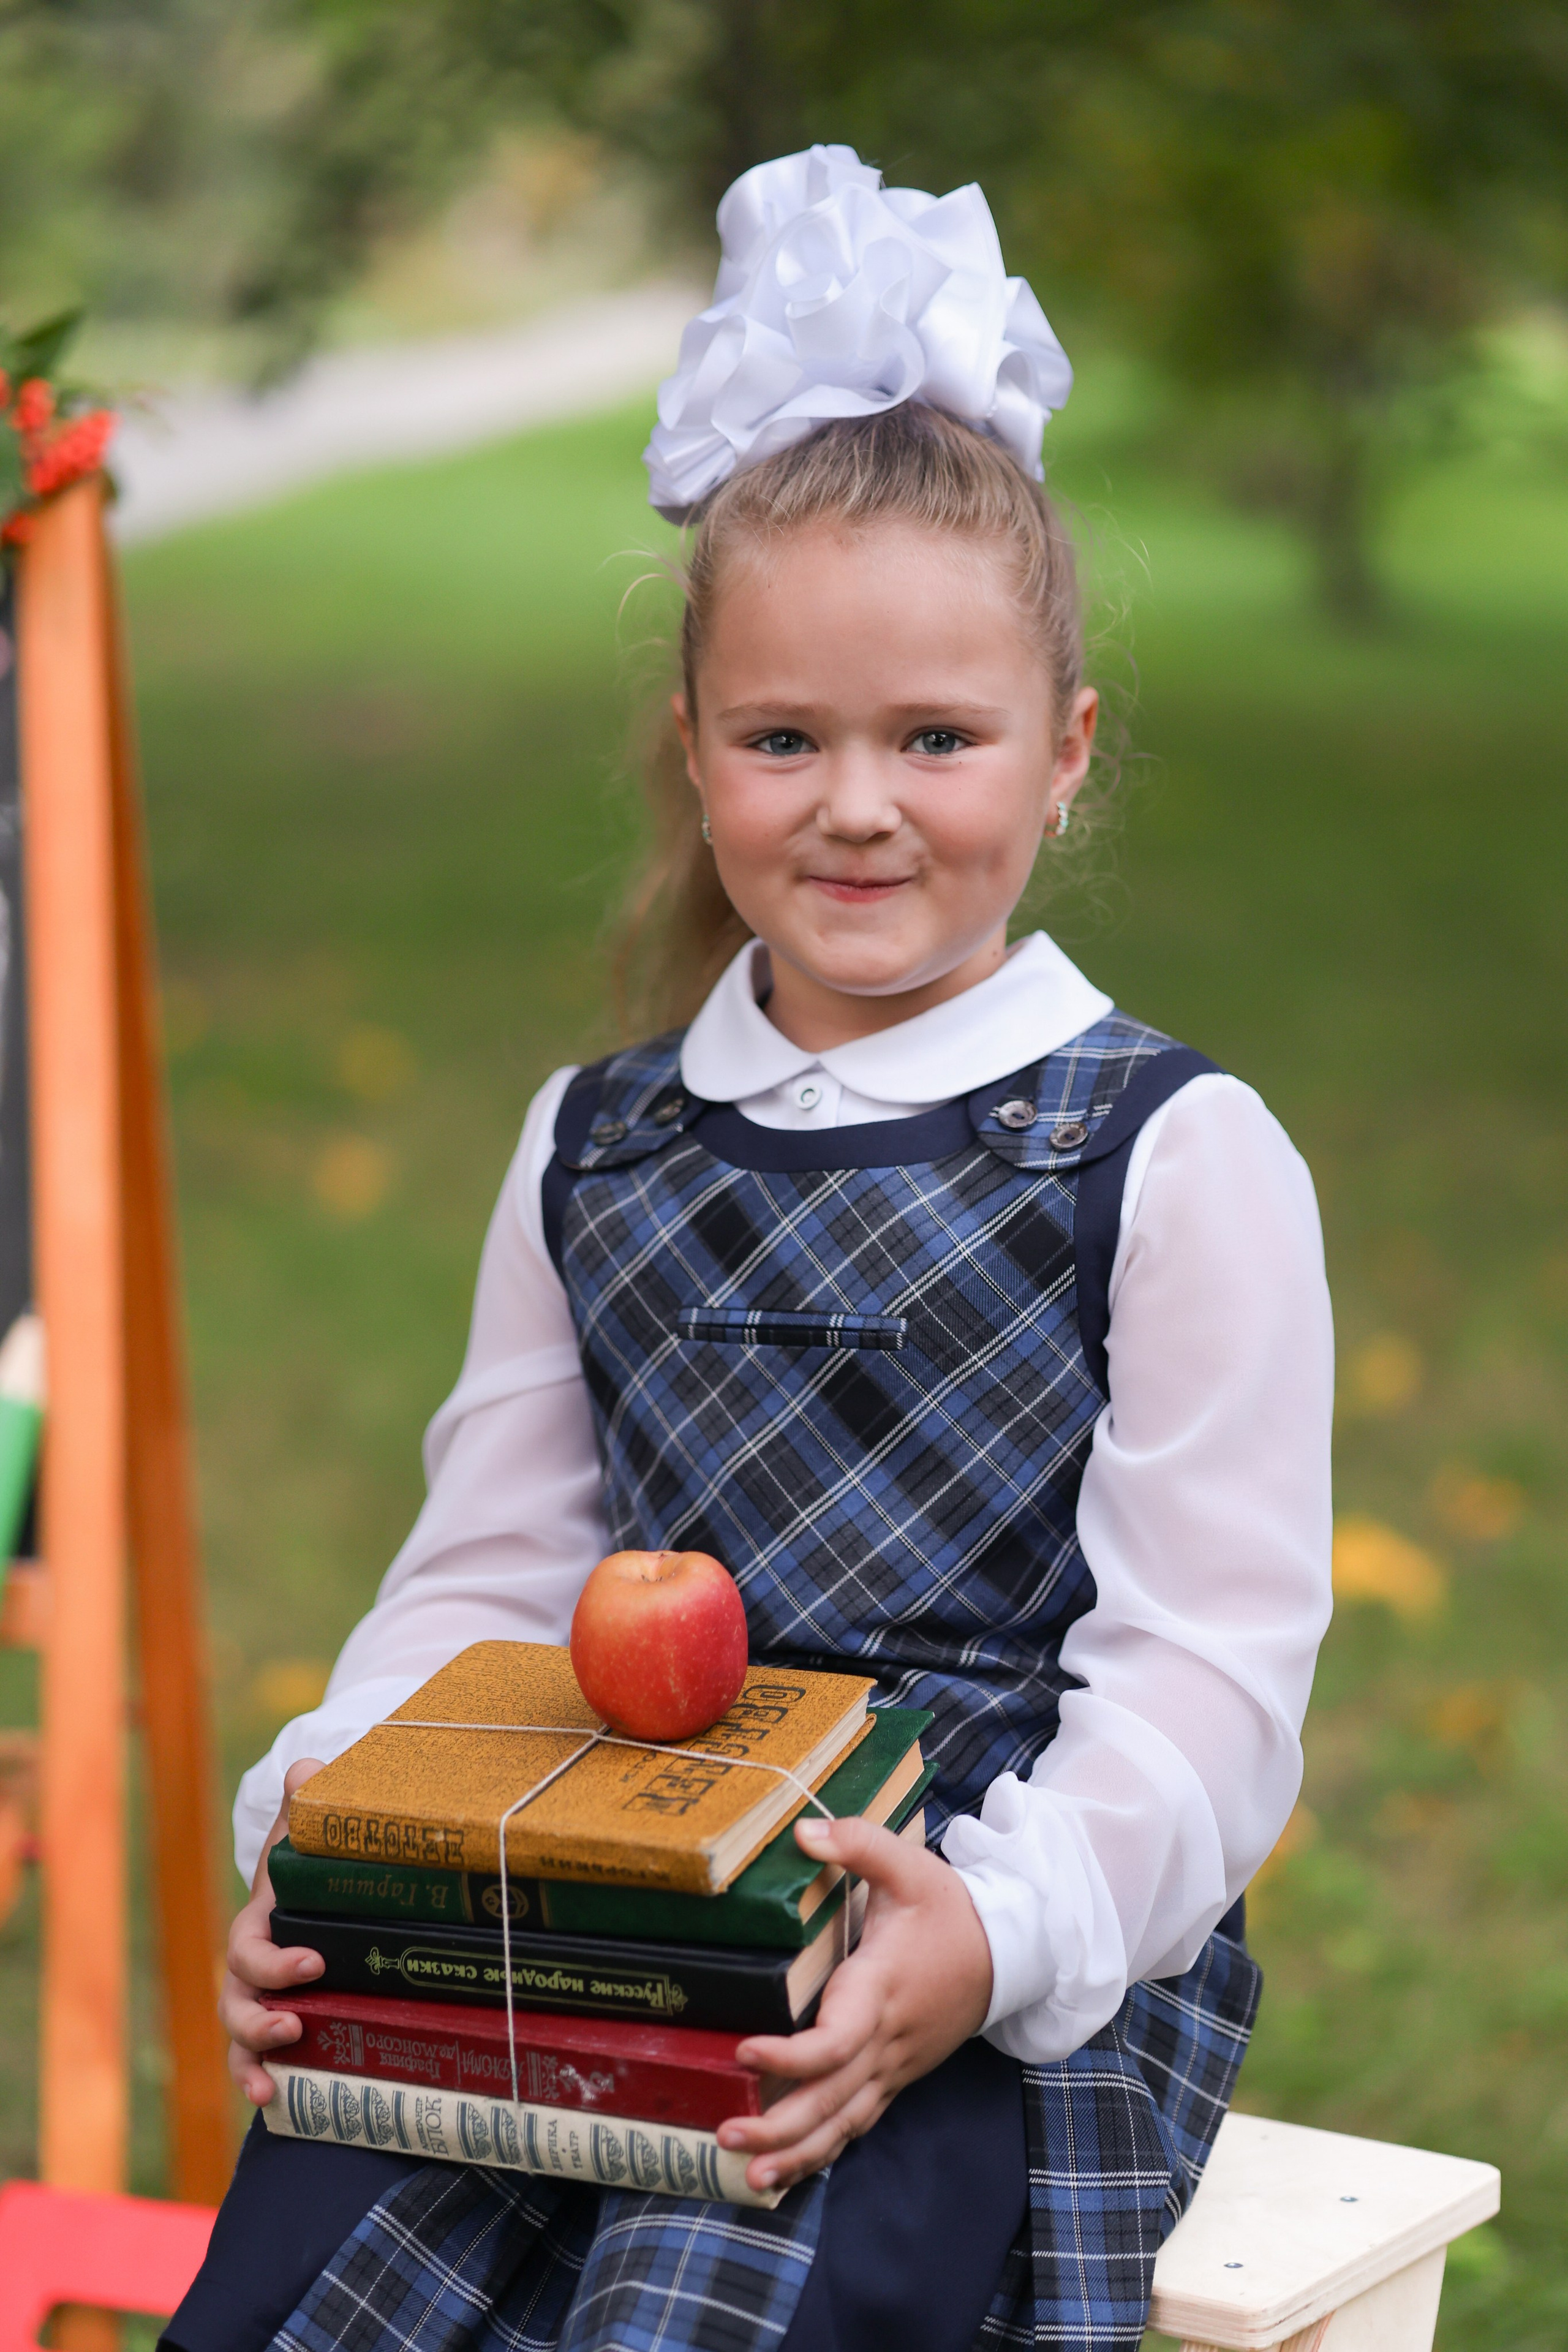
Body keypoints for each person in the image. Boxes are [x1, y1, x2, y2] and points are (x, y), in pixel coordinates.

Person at [167, 144, 1333, 2352]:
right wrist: (332, 1844)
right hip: (589, 1881)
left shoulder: (1173, 1158)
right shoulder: (596, 1146)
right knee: (307, 2294)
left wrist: (985, 1942)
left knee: (709, 2309)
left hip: (948, 1932)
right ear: (695, 759)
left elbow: (1208, 1684)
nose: (860, 804)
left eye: (939, 739)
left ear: (1064, 753)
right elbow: (494, 1576)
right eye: (785, 739)